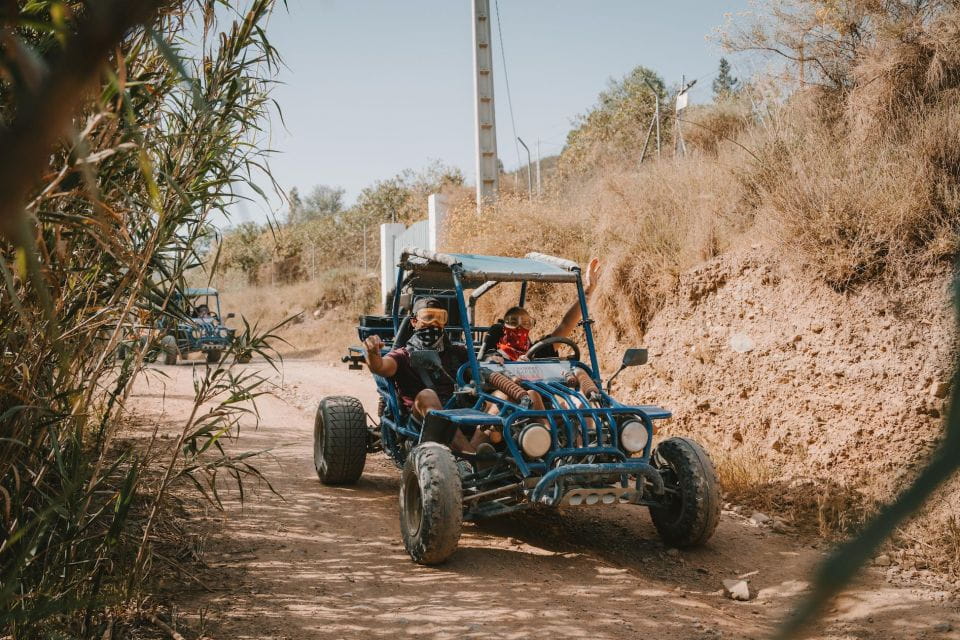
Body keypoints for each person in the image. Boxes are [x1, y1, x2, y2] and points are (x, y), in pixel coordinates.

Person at [363, 296, 485, 453]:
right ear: (414, 322)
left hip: (461, 412)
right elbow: (380, 367)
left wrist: (494, 357)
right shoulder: (402, 356)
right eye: (427, 318)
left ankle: (482, 455)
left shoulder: (458, 352)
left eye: (439, 318)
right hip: (420, 422)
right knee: (428, 395)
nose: (433, 323)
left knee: (499, 398)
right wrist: (372, 354)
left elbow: (481, 372)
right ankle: (472, 456)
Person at [481, 257, 601, 361]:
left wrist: (589, 289)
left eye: (526, 323)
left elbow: (566, 325)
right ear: (504, 327)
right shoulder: (495, 354)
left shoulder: (537, 352)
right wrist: (494, 359)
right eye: (513, 323)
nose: (520, 328)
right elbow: (486, 360)